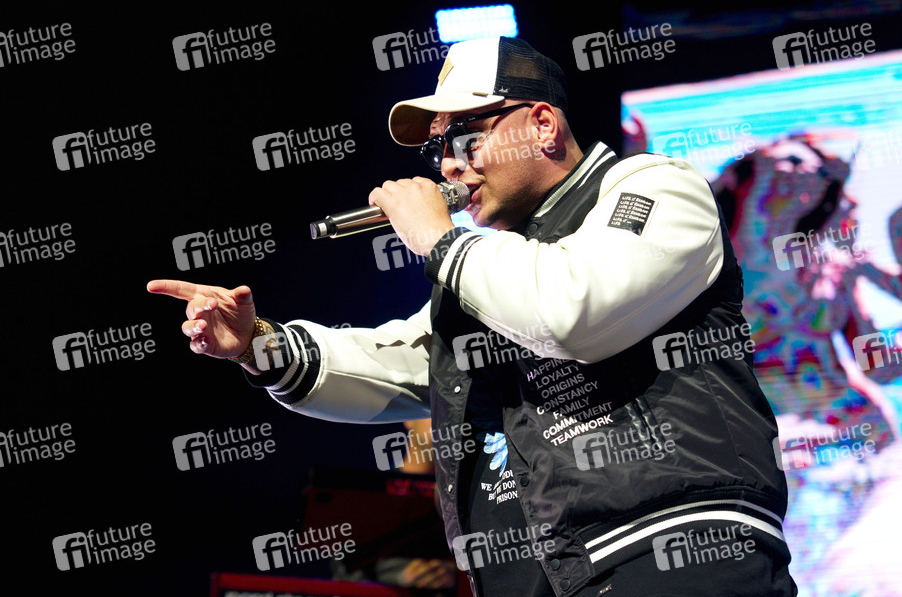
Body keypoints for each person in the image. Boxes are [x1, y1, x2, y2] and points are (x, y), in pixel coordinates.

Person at [148, 37, 797, 597]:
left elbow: (574, 311)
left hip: (673, 554)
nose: (449, 166)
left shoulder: (656, 187)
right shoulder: (489, 271)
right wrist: (256, 346)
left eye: (465, 136)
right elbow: (396, 363)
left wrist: (439, 239)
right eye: (438, 150)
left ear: (541, 125)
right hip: (545, 574)